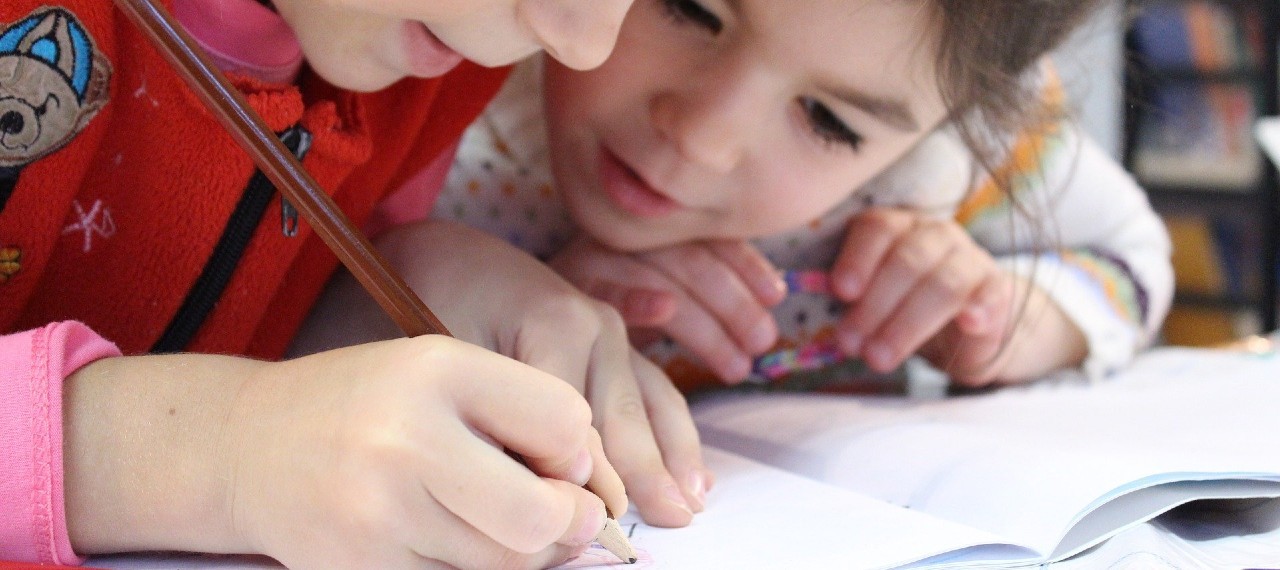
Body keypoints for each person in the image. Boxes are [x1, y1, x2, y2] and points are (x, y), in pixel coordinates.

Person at [0, 0, 706, 568]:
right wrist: (224, 451)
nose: (581, 43)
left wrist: (395, 283)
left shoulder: (428, 65)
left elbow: (245, 342)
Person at [427, 0, 1174, 391]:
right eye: (689, 7)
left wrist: (1016, 317)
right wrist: (502, 307)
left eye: (827, 121)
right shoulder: (441, 66)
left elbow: (1133, 256)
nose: (701, 138)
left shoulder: (961, 147)